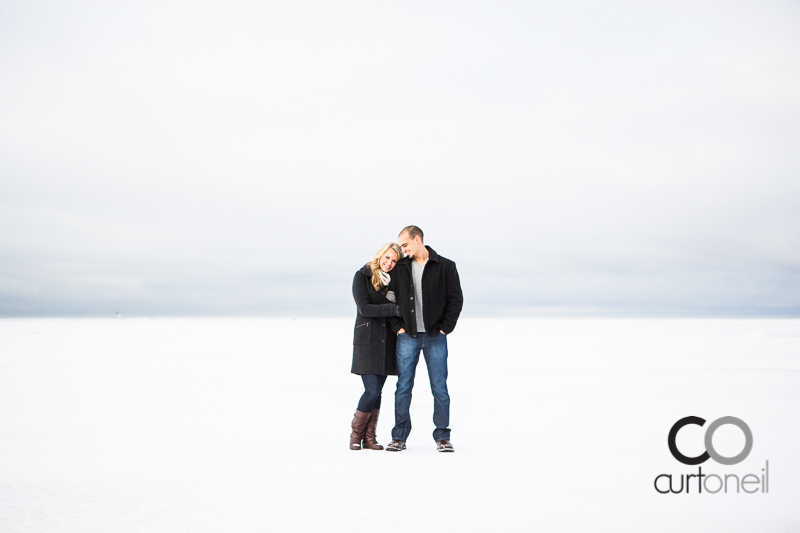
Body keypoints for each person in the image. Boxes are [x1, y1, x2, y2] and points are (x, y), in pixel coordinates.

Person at [386, 226, 463, 452]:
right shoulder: (399, 268)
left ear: (417, 239)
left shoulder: (446, 266)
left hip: (435, 337)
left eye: (405, 245)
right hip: (407, 336)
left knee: (439, 388)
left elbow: (455, 300)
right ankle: (399, 437)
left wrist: (444, 329)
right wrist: (397, 327)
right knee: (403, 388)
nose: (403, 250)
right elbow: (389, 300)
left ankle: (442, 437)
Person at [349, 242, 403, 450]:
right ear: (380, 255)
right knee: (371, 390)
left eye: (394, 261)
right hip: (368, 342)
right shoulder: (361, 276)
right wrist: (393, 308)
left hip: (387, 342)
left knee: (378, 391)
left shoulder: (393, 282)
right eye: (387, 257)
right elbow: (364, 308)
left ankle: (369, 438)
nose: (389, 263)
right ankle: (355, 436)